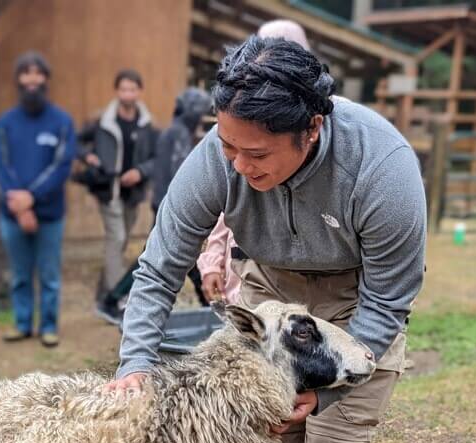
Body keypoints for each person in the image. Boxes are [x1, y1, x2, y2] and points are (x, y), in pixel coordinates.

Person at [106, 36, 426, 443]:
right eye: (228, 147)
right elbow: (159, 266)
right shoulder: (218, 158)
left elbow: (390, 297)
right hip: (270, 295)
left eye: (257, 153)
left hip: (352, 304)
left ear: (312, 128)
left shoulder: (382, 166)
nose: (239, 165)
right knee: (266, 442)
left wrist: (324, 390)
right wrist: (134, 365)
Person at [198, 18, 313, 309]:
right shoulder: (238, 132)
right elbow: (227, 205)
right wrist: (212, 260)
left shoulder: (308, 127)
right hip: (246, 262)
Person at [95, 86, 211, 324]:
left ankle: (208, 306)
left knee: (173, 258)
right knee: (171, 258)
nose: (201, 118)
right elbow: (181, 174)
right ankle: (112, 300)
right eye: (200, 112)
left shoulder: (173, 132)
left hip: (164, 204)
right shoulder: (178, 135)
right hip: (172, 208)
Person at [0, 51, 75, 348]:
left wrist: (31, 199)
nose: (32, 79)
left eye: (37, 73)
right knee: (19, 274)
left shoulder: (62, 122)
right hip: (11, 214)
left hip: (50, 215)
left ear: (46, 79)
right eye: (25, 73)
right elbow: (2, 167)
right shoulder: (5, 124)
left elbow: (62, 166)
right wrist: (19, 204)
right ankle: (22, 323)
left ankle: (49, 327)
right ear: (18, 79)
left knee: (49, 275)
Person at [77, 69, 158, 299]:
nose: (127, 94)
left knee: (120, 242)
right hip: (108, 189)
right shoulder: (102, 121)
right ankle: (115, 298)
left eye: (132, 89)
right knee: (117, 238)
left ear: (139, 92)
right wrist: (88, 157)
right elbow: (75, 142)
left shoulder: (147, 125)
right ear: (117, 91)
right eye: (123, 89)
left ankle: (104, 292)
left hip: (133, 193)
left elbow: (156, 158)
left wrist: (140, 172)